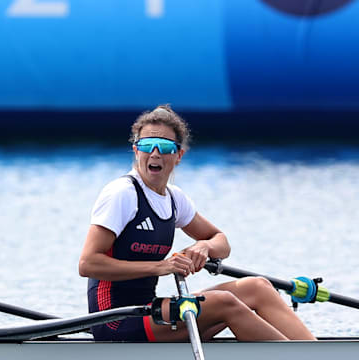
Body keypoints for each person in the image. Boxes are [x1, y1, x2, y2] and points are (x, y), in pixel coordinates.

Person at [78, 105, 316, 342]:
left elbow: (221, 242)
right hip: (114, 321)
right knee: (224, 302)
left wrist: (204, 247)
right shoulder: (122, 193)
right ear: (136, 151)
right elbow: (88, 263)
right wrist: (160, 267)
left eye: (166, 147)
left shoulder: (174, 199)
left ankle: (313, 352)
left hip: (150, 312)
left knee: (258, 287)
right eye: (147, 146)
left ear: (178, 155)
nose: (155, 153)